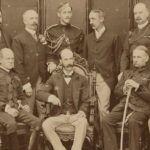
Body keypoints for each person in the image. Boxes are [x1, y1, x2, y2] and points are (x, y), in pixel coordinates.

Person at [36, 48, 89, 150]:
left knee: (83, 123)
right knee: (46, 124)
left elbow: (86, 100)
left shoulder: (82, 79)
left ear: (73, 59)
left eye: (70, 59)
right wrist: (50, 97)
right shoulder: (55, 77)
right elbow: (39, 93)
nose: (69, 62)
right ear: (60, 61)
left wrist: (82, 111)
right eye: (66, 60)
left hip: (76, 116)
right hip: (59, 115)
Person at [102, 45, 150, 150]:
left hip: (141, 109)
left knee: (133, 122)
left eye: (139, 57)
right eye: (134, 57)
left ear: (146, 58)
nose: (135, 60)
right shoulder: (127, 73)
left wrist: (138, 87)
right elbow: (116, 93)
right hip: (124, 106)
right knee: (106, 120)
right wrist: (123, 89)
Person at [84, 9, 123, 117]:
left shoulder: (113, 37)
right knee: (89, 108)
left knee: (103, 109)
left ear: (101, 19)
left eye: (93, 19)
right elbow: (85, 58)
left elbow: (118, 59)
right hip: (90, 77)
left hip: (105, 78)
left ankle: (104, 134)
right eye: (89, 19)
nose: (91, 21)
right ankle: (93, 134)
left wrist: (114, 78)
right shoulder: (88, 38)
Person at [0, 48, 41, 150]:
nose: (11, 61)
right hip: (2, 110)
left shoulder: (15, 74)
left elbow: (20, 95)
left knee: (38, 122)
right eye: (8, 58)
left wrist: (25, 104)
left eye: (12, 59)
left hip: (16, 109)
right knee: (11, 124)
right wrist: (7, 109)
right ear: (0, 60)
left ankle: (30, 148)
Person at [12, 9, 47, 115]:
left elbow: (46, 56)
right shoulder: (18, 39)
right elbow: (17, 64)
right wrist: (25, 84)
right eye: (31, 18)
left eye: (36, 18)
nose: (34, 21)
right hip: (28, 81)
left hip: (41, 80)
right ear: (24, 21)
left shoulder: (41, 38)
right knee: (28, 112)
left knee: (43, 112)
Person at [45, 2, 84, 74]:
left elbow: (81, 53)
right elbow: (48, 53)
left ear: (71, 14)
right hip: (56, 68)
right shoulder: (51, 31)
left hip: (74, 67)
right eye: (64, 12)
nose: (67, 15)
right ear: (59, 14)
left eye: (69, 12)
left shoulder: (78, 32)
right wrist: (51, 63)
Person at [120, 2, 150, 72]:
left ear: (147, 14)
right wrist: (122, 72)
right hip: (132, 73)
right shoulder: (131, 33)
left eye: (140, 13)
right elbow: (125, 54)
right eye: (135, 13)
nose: (137, 16)